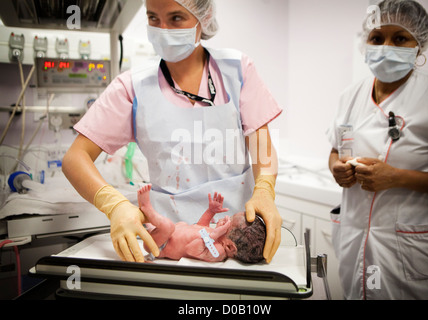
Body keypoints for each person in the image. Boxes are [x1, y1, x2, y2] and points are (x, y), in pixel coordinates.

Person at [62, 0, 282, 264]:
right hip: (168, 250)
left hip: (234, 247)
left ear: (204, 16)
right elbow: (75, 158)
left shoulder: (237, 70)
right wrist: (115, 205)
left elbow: (261, 145)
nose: (163, 29)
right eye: (153, 18)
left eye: (176, 18)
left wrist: (265, 189)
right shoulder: (133, 86)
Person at [327, 0, 428, 300]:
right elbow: (334, 149)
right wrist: (336, 169)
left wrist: (395, 177)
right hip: (356, 237)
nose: (385, 47)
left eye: (400, 38)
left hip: (412, 248)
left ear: (419, 45)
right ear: (366, 41)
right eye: (377, 38)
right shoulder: (350, 96)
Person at [138, 185, 265, 263]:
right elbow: (200, 227)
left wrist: (215, 234)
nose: (225, 218)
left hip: (160, 246)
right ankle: (149, 226)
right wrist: (211, 212)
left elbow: (192, 249)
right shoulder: (215, 238)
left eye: (228, 223)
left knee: (168, 226)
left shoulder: (218, 252)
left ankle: (146, 207)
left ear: (230, 247)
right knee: (177, 225)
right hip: (164, 237)